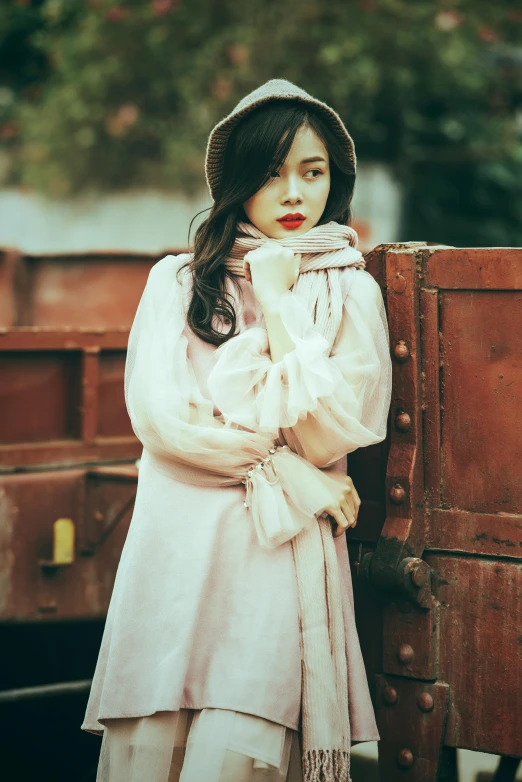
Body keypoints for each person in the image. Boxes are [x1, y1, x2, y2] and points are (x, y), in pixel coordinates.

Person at [82, 78, 392, 782]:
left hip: (273, 572)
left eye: (312, 173)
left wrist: (280, 304)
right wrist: (286, 475)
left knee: (239, 753)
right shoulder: (178, 282)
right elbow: (167, 428)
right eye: (271, 172)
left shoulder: (351, 291)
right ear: (236, 182)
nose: (293, 193)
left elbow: (328, 436)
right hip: (177, 566)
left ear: (334, 181)